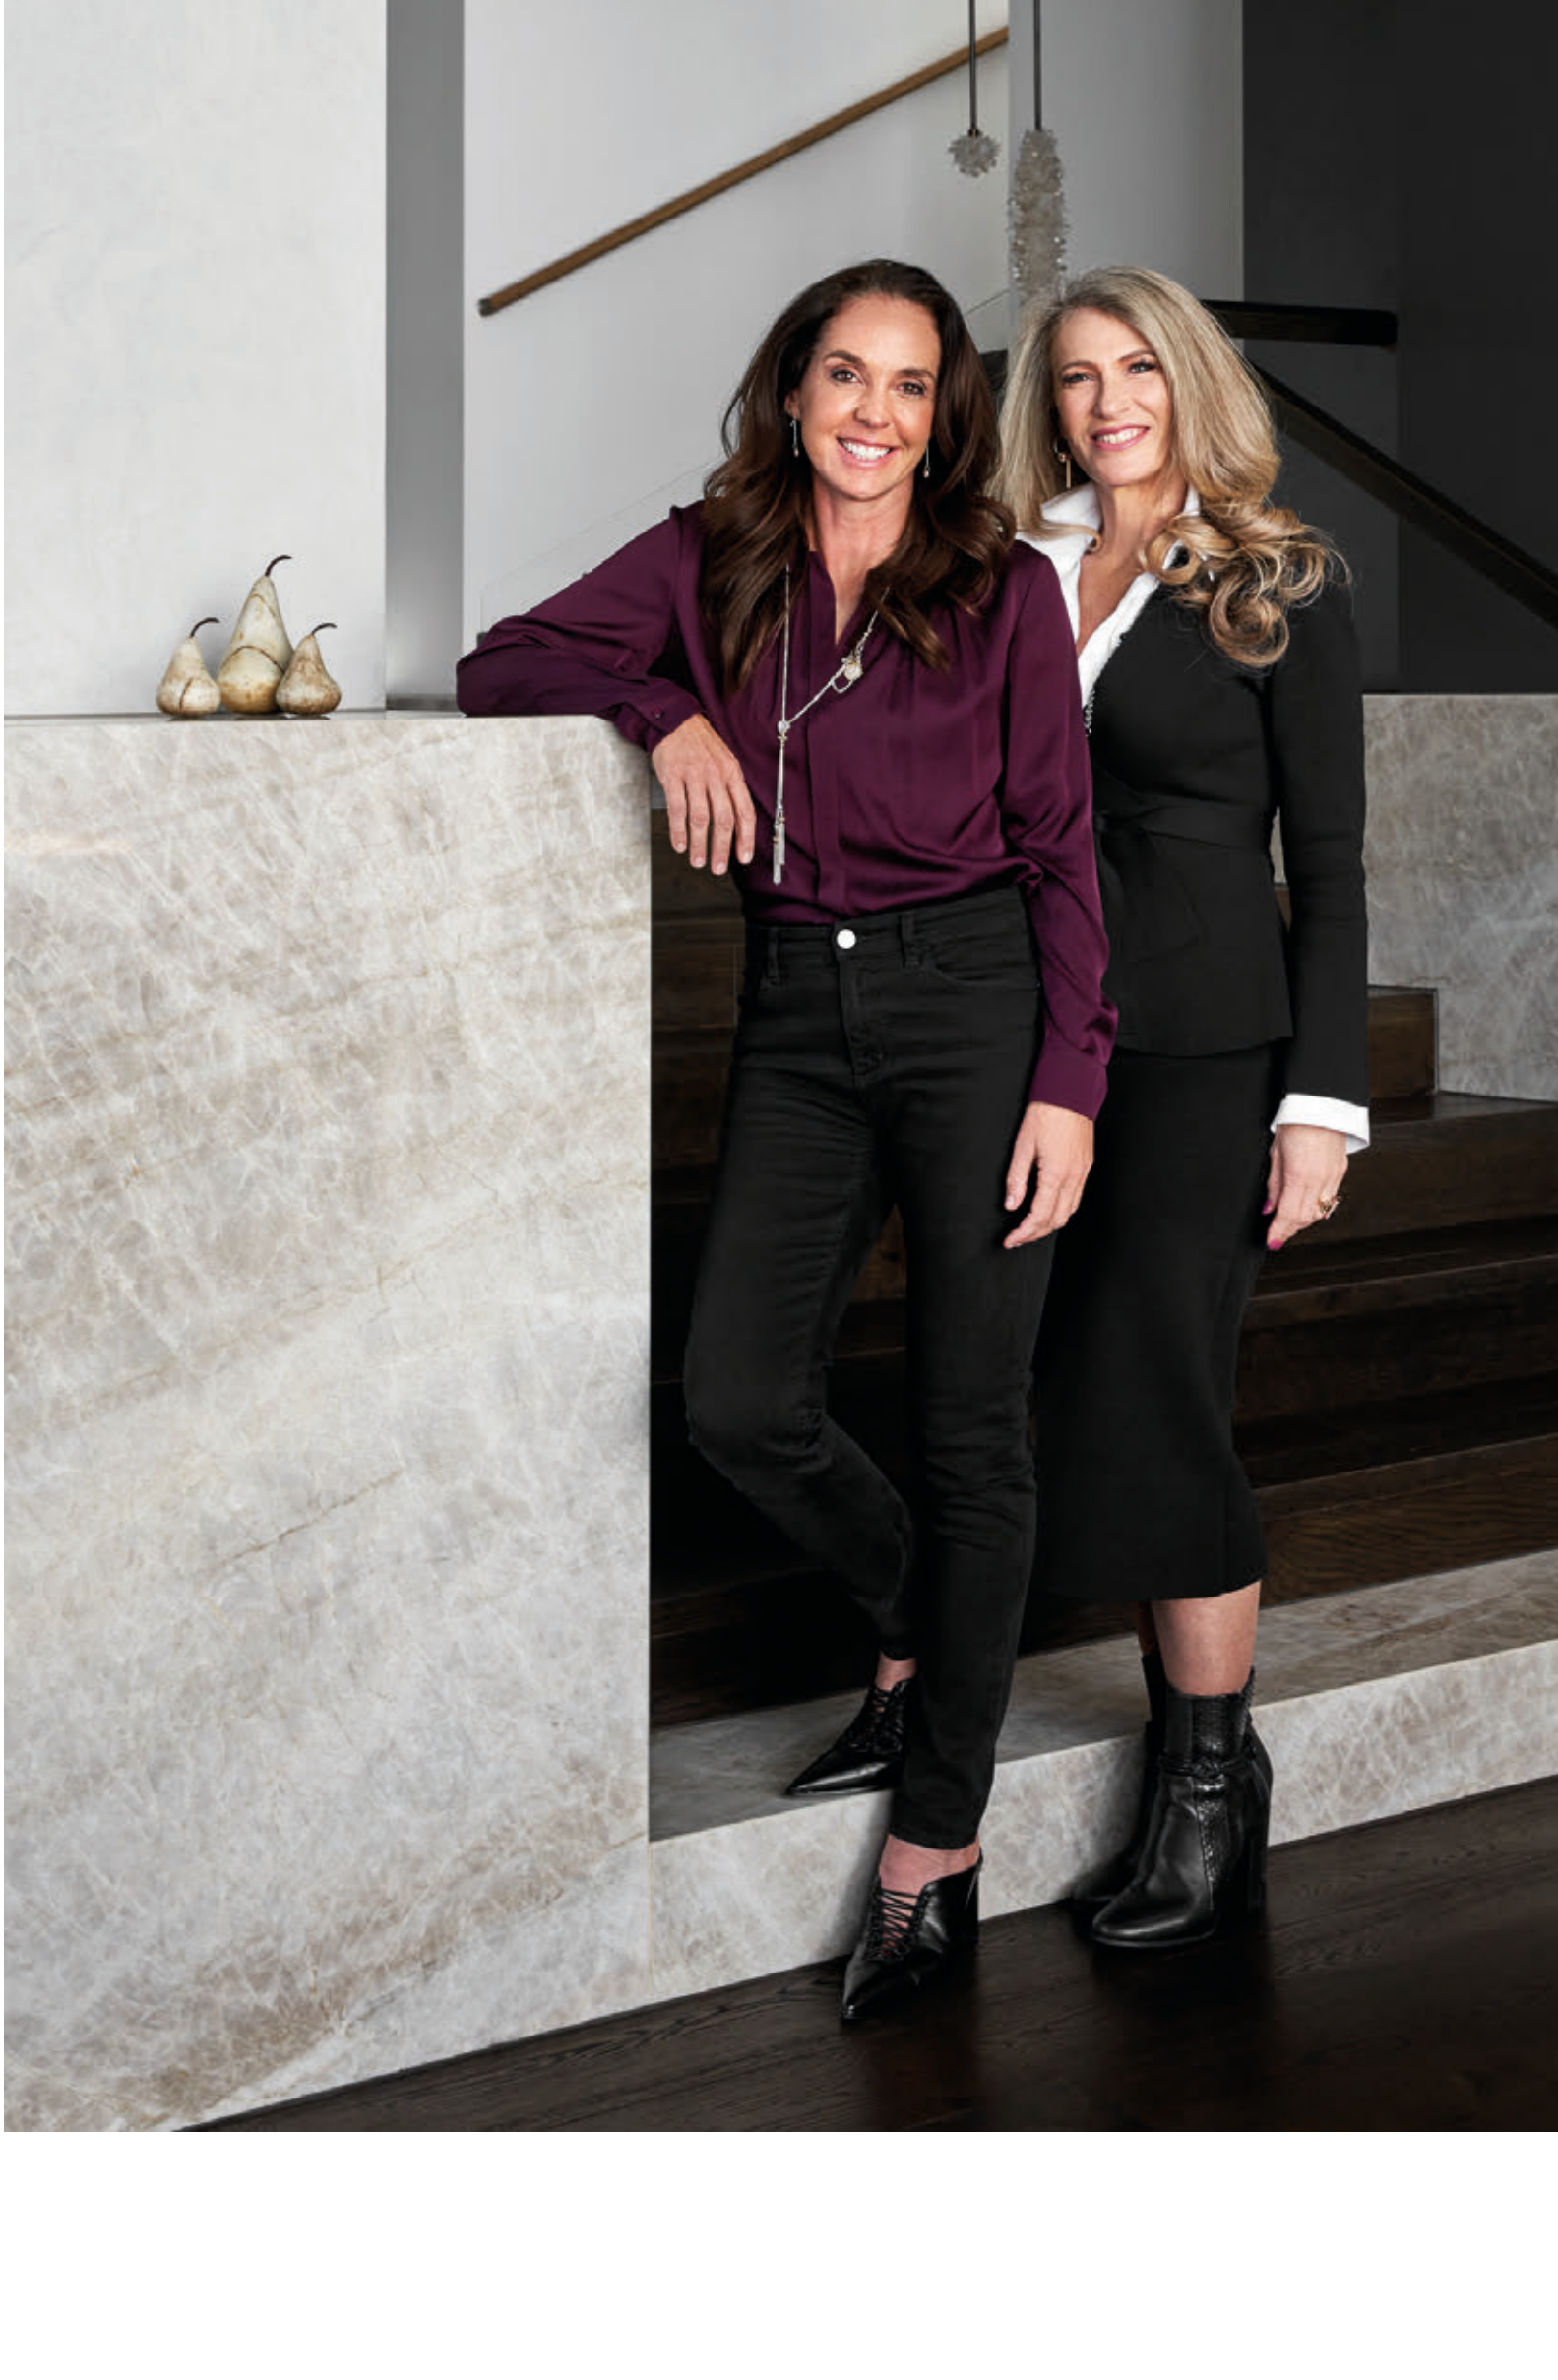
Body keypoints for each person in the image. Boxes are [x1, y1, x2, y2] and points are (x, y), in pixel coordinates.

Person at [458, 256, 1112, 2023]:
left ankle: (935, 1846)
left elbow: (1061, 845)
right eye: (843, 374)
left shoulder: (1003, 587)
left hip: (976, 1005)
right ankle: (921, 1625)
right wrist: (660, 707)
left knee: (972, 1429)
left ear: (943, 418)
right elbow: (499, 661)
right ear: (793, 389)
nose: (870, 413)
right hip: (795, 1012)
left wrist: (1070, 1081)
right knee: (738, 1398)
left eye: (906, 385)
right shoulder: (709, 555)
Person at [998, 265, 1368, 1949]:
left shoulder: (1276, 579)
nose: (1109, 403)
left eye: (1138, 367)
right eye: (1078, 376)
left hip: (1208, 1042)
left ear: (1190, 380)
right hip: (1032, 1034)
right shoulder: (1023, 566)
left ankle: (1204, 1784)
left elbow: (1332, 863)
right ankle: (1206, 1766)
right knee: (1065, 1391)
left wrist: (1321, 1104)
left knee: (1158, 1390)